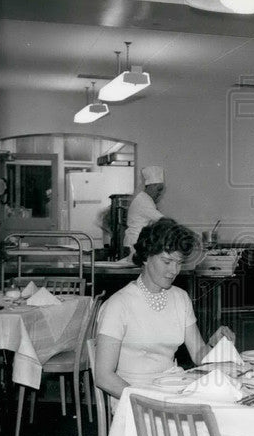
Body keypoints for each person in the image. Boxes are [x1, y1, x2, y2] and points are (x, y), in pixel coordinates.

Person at [95, 217, 233, 396]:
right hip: (134, 396)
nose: (174, 271)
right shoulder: (118, 305)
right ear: (145, 257)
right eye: (167, 262)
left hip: (172, 389)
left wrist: (215, 343)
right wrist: (146, 400)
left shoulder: (180, 298)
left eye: (179, 263)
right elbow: (103, 377)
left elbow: (199, 355)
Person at [122, 165, 166, 258]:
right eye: (159, 189)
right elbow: (163, 221)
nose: (160, 193)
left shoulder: (146, 199)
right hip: (135, 244)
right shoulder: (143, 201)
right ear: (151, 186)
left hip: (137, 243)